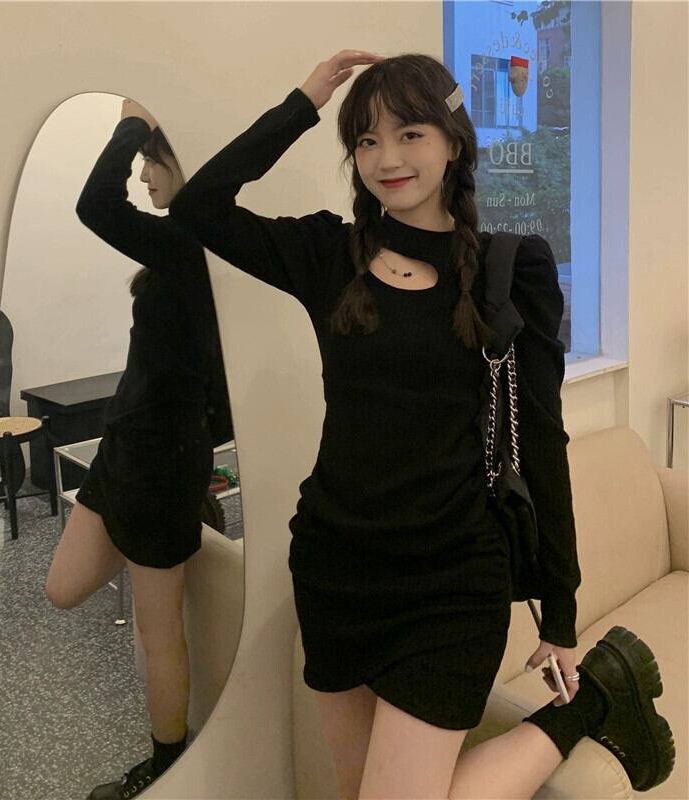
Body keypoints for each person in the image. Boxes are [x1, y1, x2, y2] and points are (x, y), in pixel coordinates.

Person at [169, 51, 675, 799]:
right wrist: (304, 102)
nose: (387, 159)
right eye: (366, 140)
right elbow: (197, 207)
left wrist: (561, 613)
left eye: (410, 133)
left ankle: (589, 705)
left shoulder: (511, 270)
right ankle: (596, 704)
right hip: (336, 569)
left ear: (453, 141)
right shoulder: (328, 254)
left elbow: (541, 439)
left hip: (451, 582)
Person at [44, 98, 233, 800]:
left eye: (154, 162)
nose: (146, 176)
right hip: (123, 450)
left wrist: (131, 121)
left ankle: (164, 765)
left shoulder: (193, 244)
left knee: (158, 634)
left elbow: (95, 203)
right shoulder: (175, 245)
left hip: (159, 468)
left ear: (186, 165)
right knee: (62, 588)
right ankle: (187, 530)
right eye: (145, 161)